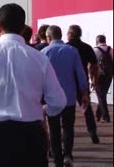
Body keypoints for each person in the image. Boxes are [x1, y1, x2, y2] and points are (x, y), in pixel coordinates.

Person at [0, 3, 66, 167]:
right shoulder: (39, 58)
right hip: (31, 137)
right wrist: (43, 111)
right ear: (23, 28)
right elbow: (58, 102)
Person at [41, 25, 89, 167]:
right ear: (61, 35)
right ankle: (68, 154)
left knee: (54, 129)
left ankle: (57, 160)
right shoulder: (72, 51)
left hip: (51, 98)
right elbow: (80, 73)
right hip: (69, 96)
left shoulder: (44, 52)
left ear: (48, 37)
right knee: (68, 127)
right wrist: (84, 92)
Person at [67, 24, 100, 143]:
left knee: (66, 110)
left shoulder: (66, 47)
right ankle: (92, 131)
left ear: (70, 34)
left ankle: (66, 134)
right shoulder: (86, 47)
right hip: (82, 82)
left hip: (68, 83)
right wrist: (93, 79)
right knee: (87, 108)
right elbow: (94, 66)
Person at [93, 35, 113, 123]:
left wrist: (92, 78)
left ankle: (106, 117)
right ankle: (98, 115)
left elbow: (91, 65)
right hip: (109, 75)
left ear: (97, 41)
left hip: (99, 76)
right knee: (102, 95)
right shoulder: (111, 50)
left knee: (101, 95)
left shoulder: (95, 50)